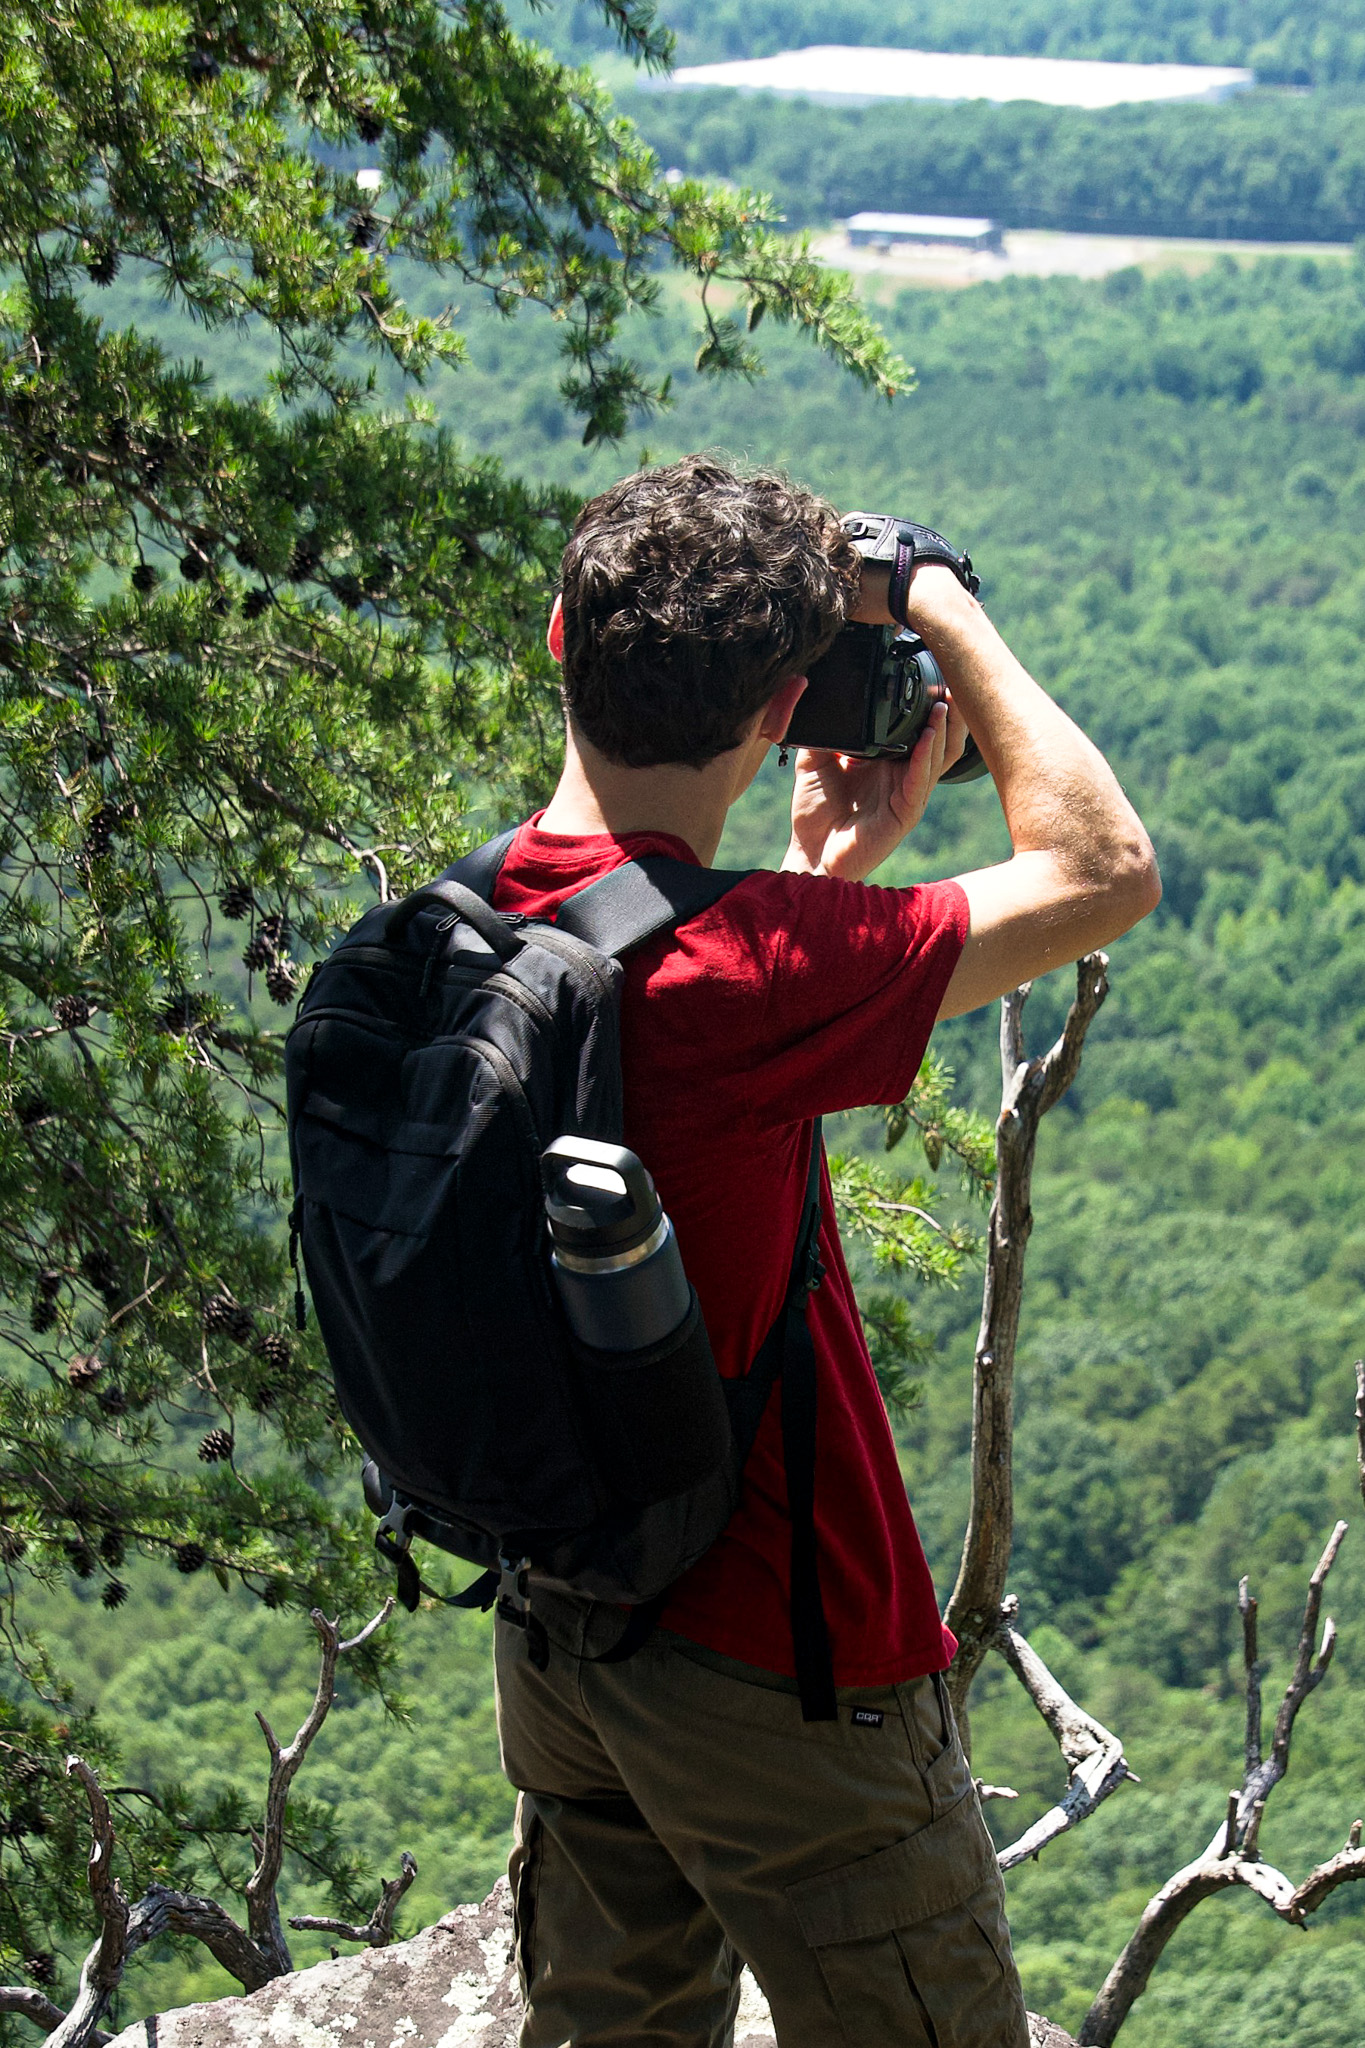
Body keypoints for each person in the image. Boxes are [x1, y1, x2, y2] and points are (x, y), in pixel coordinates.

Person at [490, 455, 1160, 2048]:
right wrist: (934, 598)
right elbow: (1102, 870)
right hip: (783, 1666)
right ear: (787, 703)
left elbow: (669, 1063)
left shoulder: (470, 934)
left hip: (568, 1632)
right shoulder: (751, 975)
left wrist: (816, 883)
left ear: (558, 645)